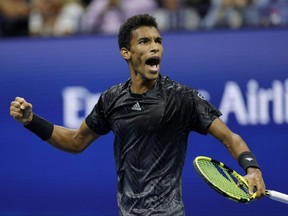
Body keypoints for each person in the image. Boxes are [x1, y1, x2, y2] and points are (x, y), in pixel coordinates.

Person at [10, 14, 266, 216]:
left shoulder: (181, 97)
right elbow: (76, 141)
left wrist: (252, 169)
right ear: (126, 53)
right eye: (144, 42)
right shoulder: (112, 98)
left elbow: (230, 138)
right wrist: (31, 121)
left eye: (158, 41)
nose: (155, 48)